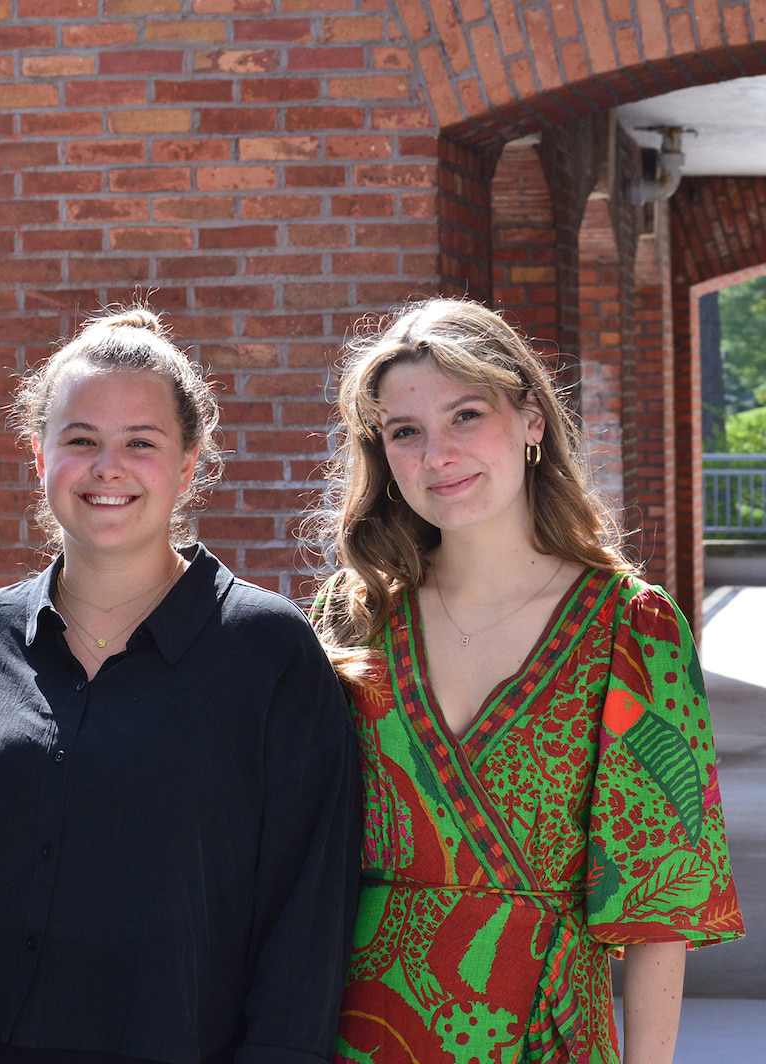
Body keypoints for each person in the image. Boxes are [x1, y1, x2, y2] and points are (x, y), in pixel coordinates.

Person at [0, 308, 360, 1064]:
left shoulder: (267, 651)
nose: (106, 467)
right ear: (39, 454)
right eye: (79, 439)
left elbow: (307, 921)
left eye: (140, 444)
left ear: (188, 464)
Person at [306, 298, 743, 1064]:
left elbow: (658, 907)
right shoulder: (354, 616)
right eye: (406, 432)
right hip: (360, 1029)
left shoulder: (630, 628)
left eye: (466, 416)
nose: (437, 453)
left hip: (543, 1030)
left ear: (532, 419)